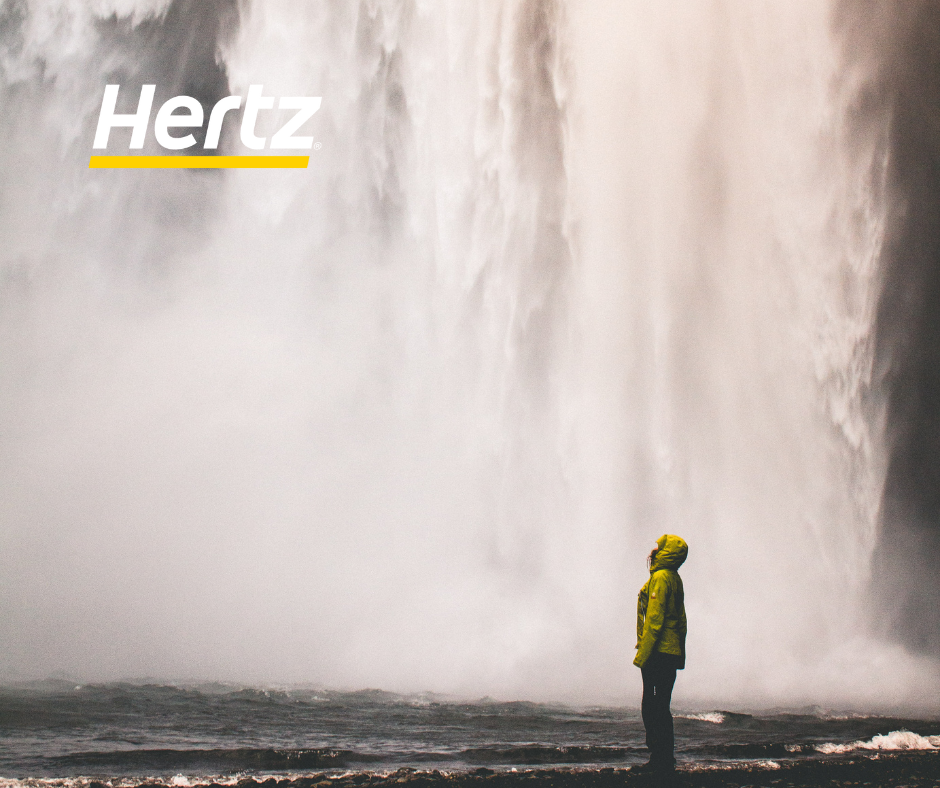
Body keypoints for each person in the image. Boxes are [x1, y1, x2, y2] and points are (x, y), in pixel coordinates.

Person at [634, 534, 688, 773]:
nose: (654, 550)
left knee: (650, 705)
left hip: (657, 652)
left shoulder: (661, 577)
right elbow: (682, 621)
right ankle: (665, 757)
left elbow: (654, 621)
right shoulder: (675, 578)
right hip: (670, 651)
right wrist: (680, 654)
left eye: (659, 547)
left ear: (666, 553)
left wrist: (642, 655)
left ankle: (658, 757)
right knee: (662, 705)